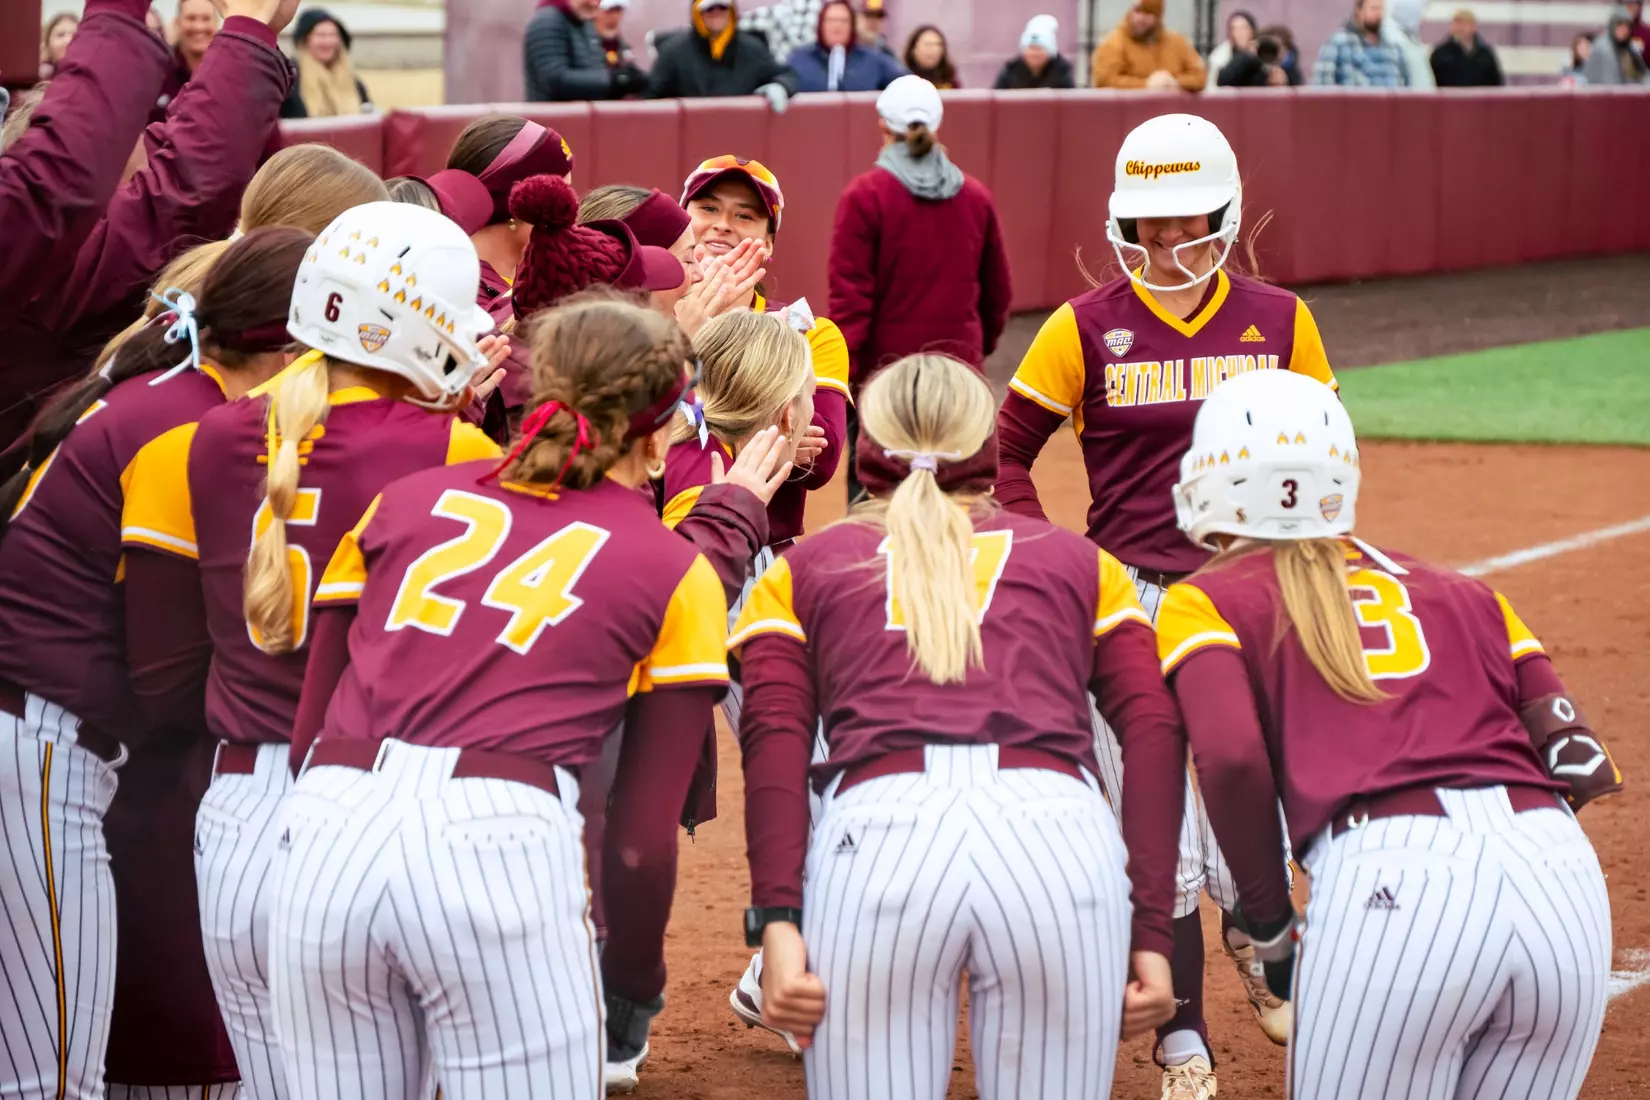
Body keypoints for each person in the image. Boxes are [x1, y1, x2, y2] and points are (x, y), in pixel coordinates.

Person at [269, 295, 729, 1098]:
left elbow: (311, 729)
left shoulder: (405, 500)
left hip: (327, 824)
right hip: (496, 842)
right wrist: (631, 980)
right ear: (658, 433)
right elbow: (638, 842)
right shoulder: (674, 566)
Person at [114, 202, 505, 1100]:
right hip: (382, 812)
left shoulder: (201, 439)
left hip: (241, 816)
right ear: (414, 327)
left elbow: (166, 668)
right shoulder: (463, 450)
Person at [994, 113, 1338, 1100]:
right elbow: (1006, 449)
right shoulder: (1081, 323)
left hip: (1251, 590)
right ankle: (1182, 1043)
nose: (1162, 244)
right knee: (1157, 823)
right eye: (1144, 226)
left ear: (1223, 214)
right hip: (1130, 595)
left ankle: (1252, 926)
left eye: (1183, 222)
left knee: (1258, 786)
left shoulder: (1280, 320)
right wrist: (1052, 550)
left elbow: (1325, 452)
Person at [1156, 369, 1620, 1100]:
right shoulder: (1469, 592)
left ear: (1209, 483)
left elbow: (1234, 759)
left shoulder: (1203, 599)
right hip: (1561, 879)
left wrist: (1271, 928)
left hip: (1394, 882)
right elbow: (1579, 760)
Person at [732, 353, 1186, 1096]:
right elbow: (1154, 732)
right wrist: (1154, 931)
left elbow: (774, 748)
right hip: (1059, 839)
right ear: (987, 450)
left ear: (871, 450)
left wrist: (778, 924)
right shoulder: (1082, 563)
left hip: (879, 840)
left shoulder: (805, 566)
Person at [0, 227, 313, 1100]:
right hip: (35, 751)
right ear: (285, 350)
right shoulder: (183, 429)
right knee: (51, 1076)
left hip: (39, 737)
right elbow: (170, 677)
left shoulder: (158, 392)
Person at [0, 0, 296, 466]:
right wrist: (249, 29)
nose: (145, 170)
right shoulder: (54, 270)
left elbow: (168, 152)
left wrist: (254, 32)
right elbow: (176, 192)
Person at [829, 76, 1011, 498]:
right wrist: (971, 351)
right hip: (958, 374)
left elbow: (850, 302)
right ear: (937, 125)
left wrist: (846, 379)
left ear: (882, 126)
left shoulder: (864, 197)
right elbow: (998, 295)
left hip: (884, 381)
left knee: (876, 502)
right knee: (961, 496)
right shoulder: (977, 197)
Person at [680, 155, 852, 544]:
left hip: (763, 551)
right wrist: (775, 428)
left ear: (769, 242)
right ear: (682, 223)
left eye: (745, 216)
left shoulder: (810, 331)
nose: (723, 224)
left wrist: (695, 412)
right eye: (708, 208)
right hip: (661, 545)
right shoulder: (654, 313)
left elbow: (820, 461)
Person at [445, 115, 577, 436]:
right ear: (519, 206)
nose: (574, 208)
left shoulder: (547, 273)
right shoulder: (453, 292)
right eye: (562, 194)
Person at [648, 0, 800, 108]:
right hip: (691, 138)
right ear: (697, 12)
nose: (716, 13)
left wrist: (780, 86)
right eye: (709, 8)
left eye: (722, 7)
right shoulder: (673, 51)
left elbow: (786, 75)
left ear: (732, 11)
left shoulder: (752, 49)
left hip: (741, 135)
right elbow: (652, 95)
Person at [525, 0, 647, 102]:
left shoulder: (581, 24)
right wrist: (613, 80)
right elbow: (554, 80)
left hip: (576, 120)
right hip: (554, 121)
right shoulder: (547, 21)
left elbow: (593, 67)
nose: (595, 3)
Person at [786, 0, 905, 93]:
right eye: (831, 20)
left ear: (852, 26)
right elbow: (782, 81)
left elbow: (905, 82)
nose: (837, 26)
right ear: (820, 25)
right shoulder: (799, 59)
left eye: (843, 21)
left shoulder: (873, 60)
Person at [1092, 0, 1206, 92]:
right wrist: (1146, 85)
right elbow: (1104, 81)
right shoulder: (1113, 43)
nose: (1140, 18)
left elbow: (1199, 77)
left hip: (1169, 113)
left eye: (1148, 13)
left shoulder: (1178, 43)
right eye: (1137, 11)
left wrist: (1173, 82)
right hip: (1126, 115)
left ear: (1158, 18)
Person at [279, 8, 374, 117]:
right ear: (305, 40)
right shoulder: (290, 79)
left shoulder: (353, 81)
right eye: (321, 35)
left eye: (332, 35)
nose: (328, 41)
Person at [1314, 0, 1411, 86]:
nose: (1378, 14)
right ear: (1359, 11)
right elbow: (1322, 88)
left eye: (1381, 9)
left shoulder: (1394, 47)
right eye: (1373, 9)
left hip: (1389, 106)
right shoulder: (1337, 45)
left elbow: (1406, 87)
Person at [154, 0, 220, 122]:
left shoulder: (230, 75)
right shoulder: (156, 73)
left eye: (206, 19)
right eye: (191, 18)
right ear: (177, 23)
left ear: (216, 24)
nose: (199, 27)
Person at [994, 14, 1076, 89]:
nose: (1034, 54)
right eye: (1031, 48)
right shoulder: (1011, 71)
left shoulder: (1061, 72)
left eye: (1039, 49)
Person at [1429, 9, 1503, 85]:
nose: (1460, 28)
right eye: (1457, 23)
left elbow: (1496, 84)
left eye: (1465, 24)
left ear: (1473, 26)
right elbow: (1432, 83)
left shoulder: (1485, 54)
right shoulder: (1440, 54)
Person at [1583, 6, 1650, 84]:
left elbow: (1641, 75)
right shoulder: (1603, 48)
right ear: (1612, 26)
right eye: (1619, 26)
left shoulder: (1628, 48)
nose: (1623, 30)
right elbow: (1609, 83)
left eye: (1627, 26)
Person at [1218, 28, 1304, 86]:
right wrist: (1248, 56)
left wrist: (1286, 83)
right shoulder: (1251, 69)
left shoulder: (1290, 70)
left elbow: (1299, 87)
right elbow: (1223, 80)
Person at [1203, 9, 1253, 88]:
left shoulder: (1260, 52)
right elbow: (1218, 82)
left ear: (1252, 31)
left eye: (1243, 28)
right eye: (1234, 29)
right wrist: (1245, 57)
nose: (1239, 33)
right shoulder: (1219, 56)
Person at [595, 0, 643, 74]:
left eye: (619, 10)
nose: (615, 17)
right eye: (609, 11)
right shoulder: (582, 48)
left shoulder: (623, 49)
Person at [39, 12, 79, 79]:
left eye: (74, 35)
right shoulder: (38, 77)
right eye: (61, 35)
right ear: (47, 44)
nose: (68, 40)